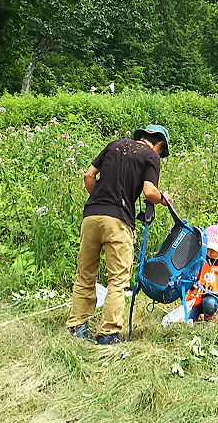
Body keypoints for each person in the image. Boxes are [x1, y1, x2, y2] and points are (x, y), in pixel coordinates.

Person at [67, 124, 173, 345]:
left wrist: (98, 199)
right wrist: (165, 198)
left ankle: (77, 325)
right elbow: (149, 192)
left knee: (85, 273)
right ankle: (108, 333)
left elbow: (89, 175)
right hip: (119, 220)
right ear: (159, 143)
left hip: (91, 216)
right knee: (118, 279)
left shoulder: (114, 145)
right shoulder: (151, 156)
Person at [186, 225, 218, 321]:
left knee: (209, 303)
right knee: (187, 318)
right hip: (197, 297)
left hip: (213, 299)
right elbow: (189, 275)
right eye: (207, 249)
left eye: (213, 251)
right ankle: (196, 314)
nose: (209, 253)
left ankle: (210, 315)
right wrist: (192, 285)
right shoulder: (199, 259)